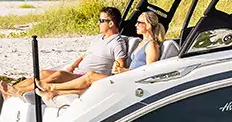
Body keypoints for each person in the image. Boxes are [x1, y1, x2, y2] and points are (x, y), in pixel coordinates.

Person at [37, 11, 168, 99]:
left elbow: (150, 73)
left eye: (139, 22)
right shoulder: (142, 43)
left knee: (90, 76)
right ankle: (54, 92)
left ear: (148, 25)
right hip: (127, 77)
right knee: (89, 83)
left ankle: (52, 86)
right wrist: (120, 70)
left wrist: (124, 71)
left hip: (133, 81)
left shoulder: (151, 46)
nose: (136, 25)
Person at [4, 6, 131, 97]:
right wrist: (71, 67)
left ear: (111, 24)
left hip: (85, 76)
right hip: (77, 72)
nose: (98, 23)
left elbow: (120, 65)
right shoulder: (98, 39)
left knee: (58, 75)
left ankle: (21, 91)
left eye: (102, 20)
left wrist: (117, 69)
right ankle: (13, 88)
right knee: (43, 73)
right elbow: (84, 57)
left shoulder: (117, 43)